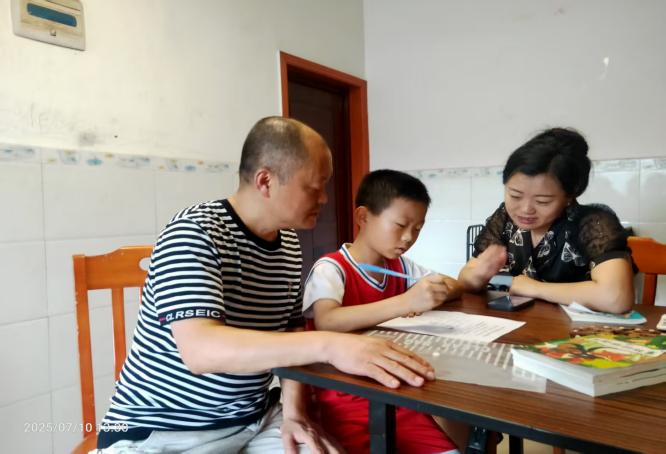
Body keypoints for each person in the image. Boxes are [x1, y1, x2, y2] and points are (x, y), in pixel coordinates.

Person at [94, 117, 438, 454]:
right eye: (314, 187)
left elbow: (291, 334)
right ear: (265, 181)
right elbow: (201, 351)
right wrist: (330, 345)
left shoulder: (288, 243)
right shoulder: (194, 232)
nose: (324, 198)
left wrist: (294, 413)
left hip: (254, 420)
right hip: (163, 431)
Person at [303, 169, 462, 454]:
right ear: (363, 217)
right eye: (400, 225)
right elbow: (327, 320)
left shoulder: (400, 267)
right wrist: (406, 303)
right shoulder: (331, 268)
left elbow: (452, 284)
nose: (408, 237)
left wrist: (436, 290)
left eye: (417, 228)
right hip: (344, 398)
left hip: (397, 392)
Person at [458, 127, 634, 314]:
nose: (525, 209)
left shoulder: (593, 223)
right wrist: (478, 275)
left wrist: (533, 288)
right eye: (515, 195)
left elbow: (616, 298)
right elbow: (465, 278)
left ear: (569, 196)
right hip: (523, 325)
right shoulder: (505, 218)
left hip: (574, 329)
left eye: (543, 201)